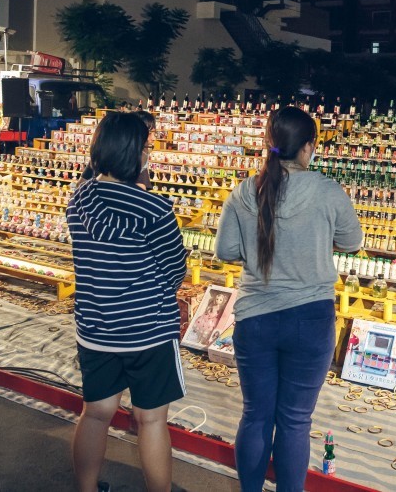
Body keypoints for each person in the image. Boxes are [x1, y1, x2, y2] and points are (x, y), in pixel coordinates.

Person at [215, 106, 363, 492]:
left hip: (255, 318)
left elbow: (226, 250)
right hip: (311, 319)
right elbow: (352, 242)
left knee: (256, 415)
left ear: (270, 143)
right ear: (308, 147)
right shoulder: (327, 190)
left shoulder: (245, 191)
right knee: (296, 420)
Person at [66, 112, 187, 492]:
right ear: (135, 154)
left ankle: (86, 488)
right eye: (146, 147)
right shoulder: (155, 209)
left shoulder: (78, 198)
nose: (149, 153)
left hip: (96, 327)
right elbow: (174, 269)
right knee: (151, 420)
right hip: (148, 331)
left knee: (96, 413)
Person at [79, 110, 155, 190]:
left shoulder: (103, 153)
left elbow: (80, 184)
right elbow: (140, 193)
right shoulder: (137, 158)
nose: (153, 138)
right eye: (149, 133)